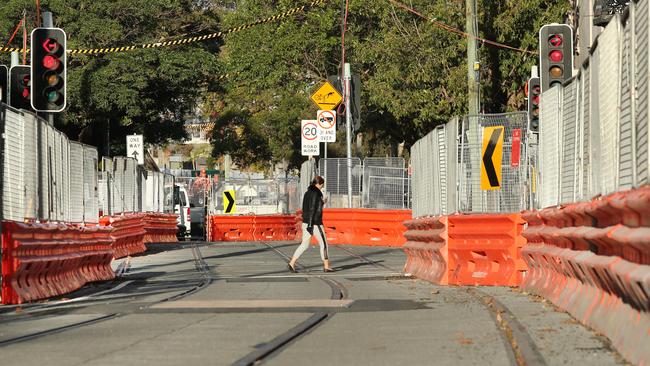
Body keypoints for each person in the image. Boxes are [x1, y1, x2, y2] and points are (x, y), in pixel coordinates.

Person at [288, 176, 335, 273]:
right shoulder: (316, 193)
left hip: (306, 222)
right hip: (315, 223)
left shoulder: (307, 193)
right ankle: (326, 266)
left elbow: (308, 207)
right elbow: (312, 209)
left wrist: (321, 203)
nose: (322, 187)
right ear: (319, 184)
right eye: (322, 185)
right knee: (324, 244)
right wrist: (311, 224)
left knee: (304, 245)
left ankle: (292, 263)